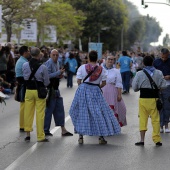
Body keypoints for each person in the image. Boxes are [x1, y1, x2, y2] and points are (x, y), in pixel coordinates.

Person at [69, 50, 121, 145]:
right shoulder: (102, 69)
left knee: (82, 112)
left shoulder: (82, 68)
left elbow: (79, 80)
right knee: (99, 113)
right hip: (95, 91)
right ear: (97, 58)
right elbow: (104, 83)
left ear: (88, 58)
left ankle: (80, 136)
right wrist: (96, 87)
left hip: (83, 91)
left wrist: (83, 87)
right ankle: (101, 137)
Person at [132, 56, 167, 146]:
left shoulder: (139, 73)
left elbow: (135, 88)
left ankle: (142, 140)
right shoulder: (159, 73)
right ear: (153, 63)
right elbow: (164, 85)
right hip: (154, 99)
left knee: (143, 119)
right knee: (155, 120)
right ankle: (157, 140)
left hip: (143, 99)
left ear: (143, 63)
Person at [22, 47, 50, 142]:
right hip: (39, 91)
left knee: (28, 112)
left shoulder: (25, 65)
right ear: (39, 55)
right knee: (40, 113)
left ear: (30, 54)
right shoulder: (43, 67)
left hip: (29, 90)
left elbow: (24, 77)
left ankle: (28, 134)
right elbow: (46, 82)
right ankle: (40, 136)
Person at [44, 49, 73, 137]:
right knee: (49, 110)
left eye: (57, 55)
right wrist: (58, 72)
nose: (55, 57)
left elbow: (55, 75)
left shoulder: (57, 63)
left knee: (60, 109)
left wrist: (60, 75)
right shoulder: (48, 63)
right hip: (50, 89)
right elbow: (47, 75)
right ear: (50, 55)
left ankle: (63, 130)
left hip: (56, 89)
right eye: (53, 55)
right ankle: (45, 130)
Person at [102, 55, 127, 127]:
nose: (110, 61)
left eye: (112, 60)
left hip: (113, 92)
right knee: (102, 110)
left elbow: (119, 83)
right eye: (109, 59)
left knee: (118, 109)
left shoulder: (116, 71)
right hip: (102, 91)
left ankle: (112, 126)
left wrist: (119, 94)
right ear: (105, 60)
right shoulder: (101, 69)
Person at [153, 48, 170, 133]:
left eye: (165, 57)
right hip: (158, 86)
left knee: (167, 106)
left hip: (168, 86)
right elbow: (152, 73)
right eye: (162, 57)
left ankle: (166, 125)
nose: (164, 59)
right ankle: (160, 125)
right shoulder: (156, 62)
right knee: (159, 106)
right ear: (160, 55)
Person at [15, 46, 30, 132]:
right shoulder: (23, 62)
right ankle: (23, 125)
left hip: (21, 84)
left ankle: (22, 124)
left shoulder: (21, 61)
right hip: (23, 84)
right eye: (28, 51)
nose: (29, 52)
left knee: (23, 106)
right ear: (24, 52)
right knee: (24, 106)